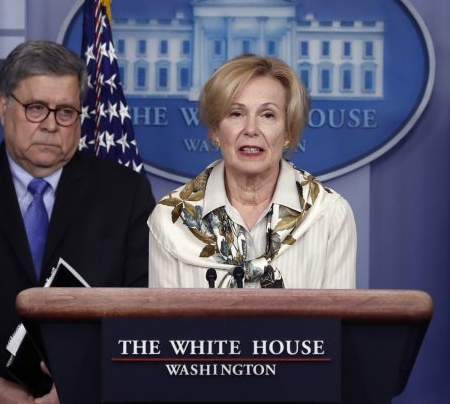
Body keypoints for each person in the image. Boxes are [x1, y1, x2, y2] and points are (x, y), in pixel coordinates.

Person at [0, 40, 155, 403]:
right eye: (36, 108)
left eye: (66, 112)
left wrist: (79, 384)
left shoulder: (125, 193)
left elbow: (138, 307)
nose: (51, 126)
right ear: (3, 107)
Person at [148, 54, 356, 289]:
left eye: (268, 115)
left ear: (287, 132)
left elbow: (335, 323)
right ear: (216, 130)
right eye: (236, 114)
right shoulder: (171, 219)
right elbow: (164, 326)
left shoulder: (329, 215)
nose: (251, 129)